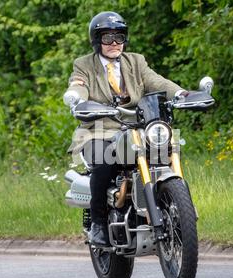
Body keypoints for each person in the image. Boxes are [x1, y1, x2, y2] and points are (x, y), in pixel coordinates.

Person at [64, 11, 187, 246]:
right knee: (103, 162)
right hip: (100, 128)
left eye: (118, 38)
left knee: (167, 151)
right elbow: (78, 85)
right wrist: (76, 98)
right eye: (107, 38)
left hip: (139, 126)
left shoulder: (136, 61)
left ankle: (176, 208)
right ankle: (98, 223)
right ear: (96, 40)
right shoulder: (84, 65)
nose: (113, 44)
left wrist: (181, 93)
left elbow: (156, 81)